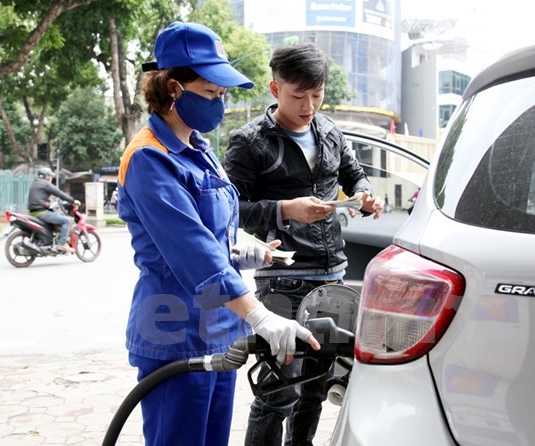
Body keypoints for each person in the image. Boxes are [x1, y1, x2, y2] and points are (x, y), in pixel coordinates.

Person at [116, 21, 320, 446]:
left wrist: (250, 251)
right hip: (174, 330)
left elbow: (213, 233)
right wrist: (261, 316)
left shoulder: (199, 149)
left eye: (222, 95)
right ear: (174, 89)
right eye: (211, 93)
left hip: (220, 326)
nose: (220, 105)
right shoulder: (149, 159)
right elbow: (191, 251)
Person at [223, 42, 384, 446]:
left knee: (316, 386)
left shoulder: (329, 130)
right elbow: (228, 209)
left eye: (317, 94)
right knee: (279, 392)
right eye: (299, 95)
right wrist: (284, 210)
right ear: (275, 90)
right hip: (283, 280)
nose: (309, 104)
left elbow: (354, 173)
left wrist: (365, 196)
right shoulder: (249, 142)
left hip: (332, 277)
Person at [27, 166, 76, 254]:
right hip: (41, 212)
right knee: (66, 221)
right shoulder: (45, 184)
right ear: (46, 176)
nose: (50, 178)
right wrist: (72, 201)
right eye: (49, 176)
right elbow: (59, 193)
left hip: (33, 213)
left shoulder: (34, 183)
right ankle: (62, 244)